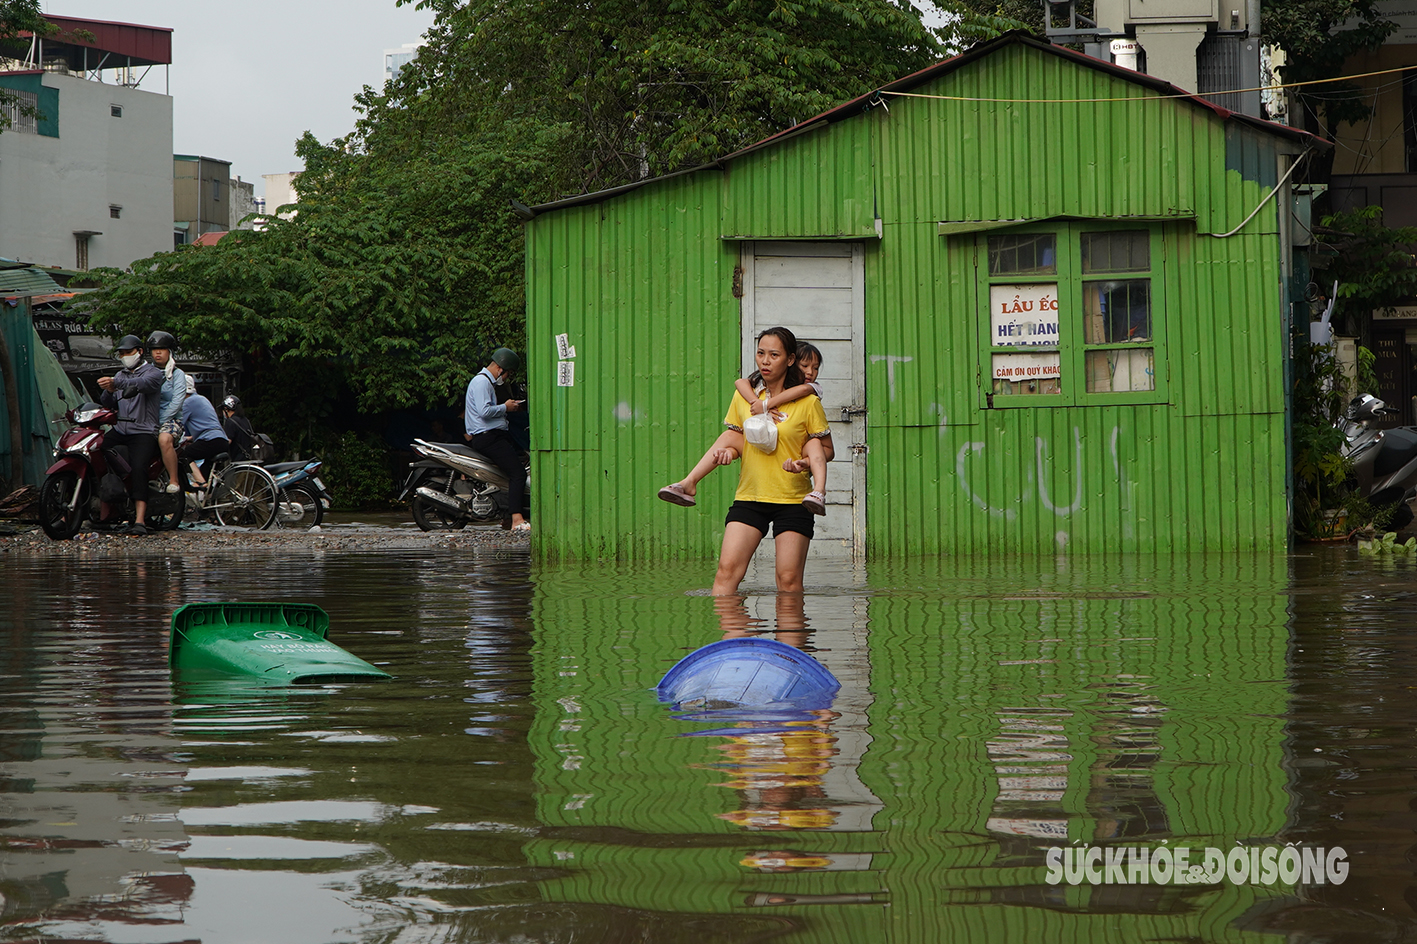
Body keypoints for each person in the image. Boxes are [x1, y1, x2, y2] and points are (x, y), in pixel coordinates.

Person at [710, 327, 830, 595]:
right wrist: (729, 453)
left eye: (773, 354)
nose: (765, 360)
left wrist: (805, 462)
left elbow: (826, 450)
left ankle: (789, 637)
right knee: (726, 572)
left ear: (789, 360)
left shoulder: (808, 401)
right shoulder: (745, 397)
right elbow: (740, 440)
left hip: (793, 500)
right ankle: (735, 636)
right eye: (760, 353)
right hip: (750, 496)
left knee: (788, 580)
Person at [660, 341, 833, 515]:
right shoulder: (759, 387)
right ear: (790, 363)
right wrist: (755, 404)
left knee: (815, 443)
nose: (810, 372)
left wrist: (805, 462)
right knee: (730, 435)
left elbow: (801, 390)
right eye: (804, 366)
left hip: (793, 475)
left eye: (816, 368)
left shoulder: (811, 394)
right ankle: (689, 482)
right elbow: (740, 382)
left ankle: (819, 491)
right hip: (752, 489)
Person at [96, 334, 164, 534]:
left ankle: (140, 520)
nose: (125, 356)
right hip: (120, 429)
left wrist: (115, 383)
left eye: (128, 352)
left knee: (138, 467)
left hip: (143, 431)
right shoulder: (119, 375)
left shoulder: (153, 373)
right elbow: (106, 403)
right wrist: (108, 390)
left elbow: (142, 384)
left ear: (140, 352)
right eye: (122, 353)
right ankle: (106, 509)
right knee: (96, 450)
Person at [464, 347, 529, 530]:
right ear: (501, 369)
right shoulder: (482, 383)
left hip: (493, 436)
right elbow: (484, 412)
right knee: (518, 473)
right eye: (508, 374)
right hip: (488, 438)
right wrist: (505, 407)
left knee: (510, 472)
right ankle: (517, 519)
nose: (506, 378)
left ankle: (507, 519)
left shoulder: (485, 383)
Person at [147, 331, 188, 495]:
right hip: (147, 420)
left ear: (170, 351)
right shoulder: (146, 372)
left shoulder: (178, 375)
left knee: (164, 439)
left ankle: (173, 480)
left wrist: (160, 420)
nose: (158, 352)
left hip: (170, 421)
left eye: (162, 349)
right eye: (155, 349)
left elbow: (177, 402)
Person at [177, 378, 229, 488]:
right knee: (206, 469)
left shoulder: (188, 402)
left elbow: (177, 424)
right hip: (220, 440)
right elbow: (207, 425)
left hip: (210, 440)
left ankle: (200, 483)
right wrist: (190, 438)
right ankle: (206, 498)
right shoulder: (201, 398)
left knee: (183, 455)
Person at [220, 395, 256, 461]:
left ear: (226, 409)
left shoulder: (230, 422)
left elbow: (227, 442)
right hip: (249, 458)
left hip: (239, 460)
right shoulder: (245, 420)